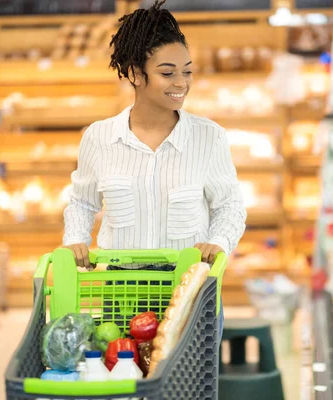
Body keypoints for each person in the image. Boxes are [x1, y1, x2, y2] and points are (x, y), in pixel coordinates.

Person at [62, 0, 246, 272]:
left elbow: (230, 205)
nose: (181, 83)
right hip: (122, 289)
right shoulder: (99, 137)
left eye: (187, 71)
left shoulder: (209, 137)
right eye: (167, 73)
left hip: (188, 287)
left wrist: (218, 242)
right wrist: (76, 239)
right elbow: (82, 202)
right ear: (136, 74)